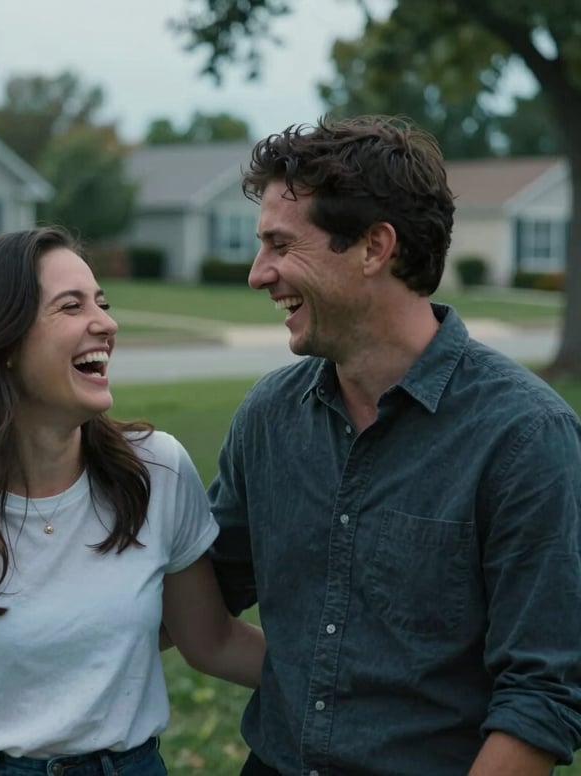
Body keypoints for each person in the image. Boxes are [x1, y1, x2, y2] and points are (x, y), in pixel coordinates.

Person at [208, 115, 581, 775]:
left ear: (374, 247)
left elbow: (542, 694)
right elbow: (199, 592)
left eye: (280, 245)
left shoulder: (525, 438)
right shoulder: (268, 418)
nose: (257, 274)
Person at [0, 225, 265, 776]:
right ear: (1, 345)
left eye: (102, 302)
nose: (106, 323)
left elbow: (212, 642)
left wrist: (369, 686)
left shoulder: (155, 470)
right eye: (72, 306)